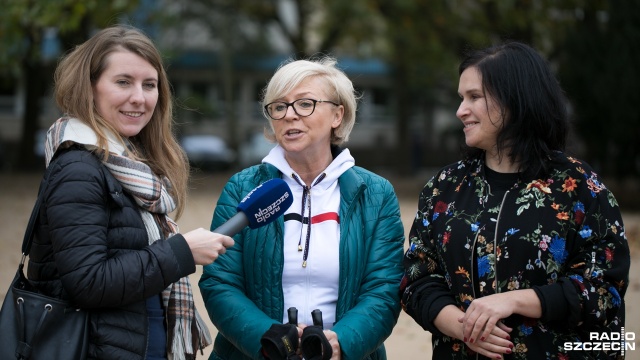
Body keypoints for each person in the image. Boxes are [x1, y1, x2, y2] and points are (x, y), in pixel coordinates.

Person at [400, 41, 630, 359]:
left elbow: (605, 290)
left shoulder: (579, 187)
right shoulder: (445, 188)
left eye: (474, 97)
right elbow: (416, 277)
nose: (460, 110)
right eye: (461, 98)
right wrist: (463, 326)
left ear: (515, 99)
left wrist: (515, 300)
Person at [28, 25, 234, 359]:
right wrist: (181, 252)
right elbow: (89, 282)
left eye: (149, 85)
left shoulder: (132, 167)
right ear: (89, 87)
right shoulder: (79, 168)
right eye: (123, 82)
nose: (139, 97)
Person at [199, 56, 405, 360]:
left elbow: (384, 290)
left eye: (305, 104)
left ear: (338, 115)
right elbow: (220, 281)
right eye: (280, 106)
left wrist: (340, 344)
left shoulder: (376, 194)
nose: (290, 115)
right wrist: (267, 340)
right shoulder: (242, 187)